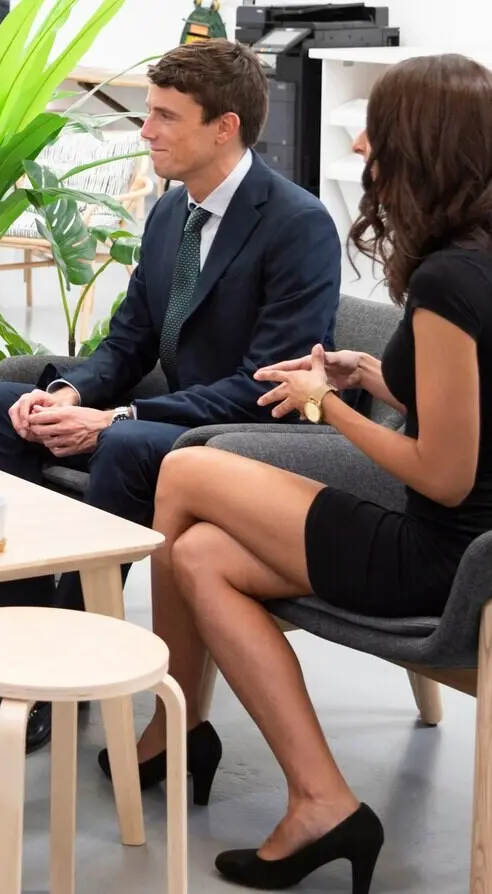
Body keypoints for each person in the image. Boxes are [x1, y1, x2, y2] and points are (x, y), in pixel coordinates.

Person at [125, 53, 492, 892]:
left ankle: (170, 727)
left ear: (423, 147)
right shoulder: (479, 259)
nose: (362, 145)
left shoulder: (446, 281)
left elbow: (442, 474)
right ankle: (320, 799)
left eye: (378, 133)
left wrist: (328, 404)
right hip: (464, 539)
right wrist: (375, 376)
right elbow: (469, 413)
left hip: (443, 559)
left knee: (187, 471)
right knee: (201, 555)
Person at [0, 38, 343, 762]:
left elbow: (263, 386)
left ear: (225, 128)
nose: (145, 130)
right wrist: (64, 394)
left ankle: (60, 673)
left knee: (122, 442)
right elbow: (129, 342)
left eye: (165, 116)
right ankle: (26, 641)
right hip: (170, 423)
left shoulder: (296, 224)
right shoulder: (171, 211)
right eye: (149, 113)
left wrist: (120, 416)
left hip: (246, 439)